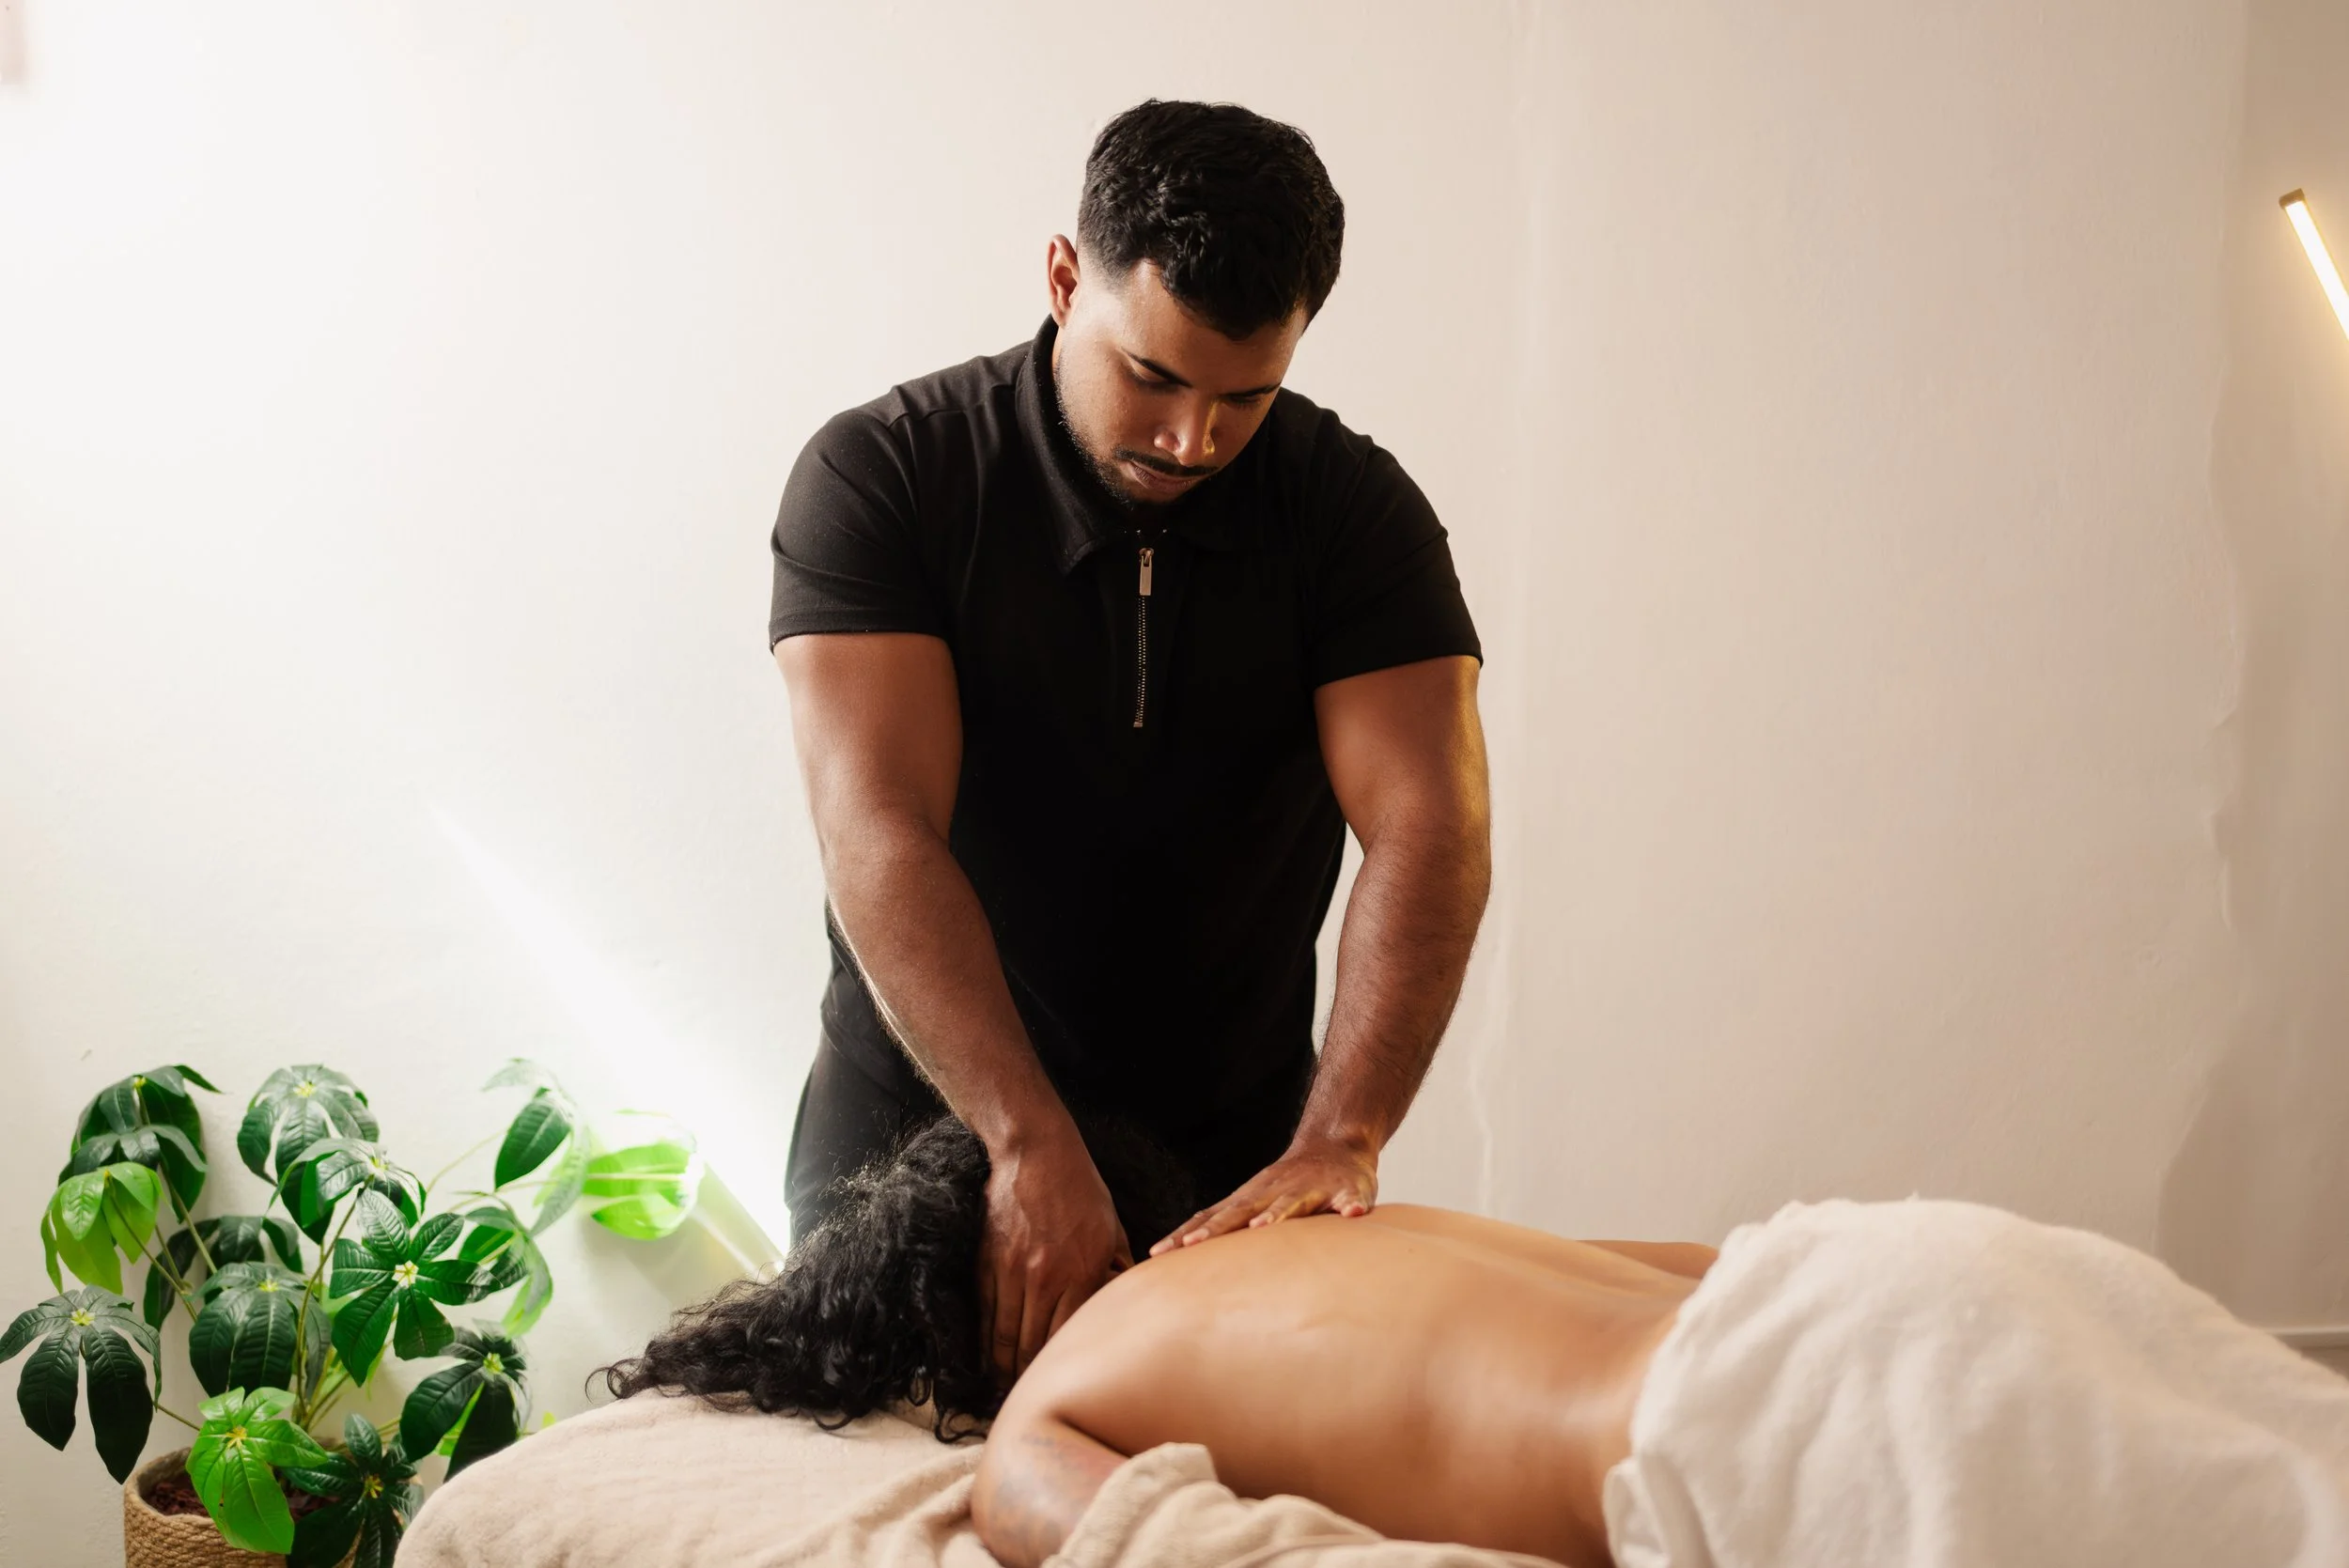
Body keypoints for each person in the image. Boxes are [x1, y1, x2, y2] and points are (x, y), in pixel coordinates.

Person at [767, 96, 1491, 1385]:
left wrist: (1345, 1137)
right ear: (1063, 277)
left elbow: (1428, 829)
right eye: (1151, 375)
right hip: (921, 1150)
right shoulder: (888, 478)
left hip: (1224, 1168)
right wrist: (1023, 1142)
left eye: (1243, 399)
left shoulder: (1355, 519)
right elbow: (876, 826)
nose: (1188, 440)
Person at [611, 1117, 2349, 1568]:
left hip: (1756, 1426)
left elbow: (1081, 1529)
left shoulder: (1055, 1391)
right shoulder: (1300, 1219)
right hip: (1872, 1272)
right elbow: (1685, 1262)